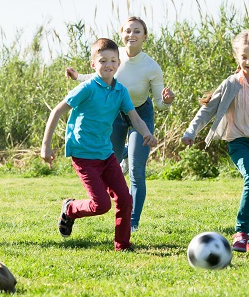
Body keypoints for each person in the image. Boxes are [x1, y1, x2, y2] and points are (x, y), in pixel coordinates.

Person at [181, 30, 249, 252]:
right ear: (236, 57)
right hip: (239, 142)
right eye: (244, 57)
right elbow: (207, 111)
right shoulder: (231, 83)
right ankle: (241, 232)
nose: (248, 62)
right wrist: (191, 132)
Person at [42, 38, 157, 251]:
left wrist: (147, 134)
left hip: (106, 154)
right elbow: (56, 111)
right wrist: (45, 147)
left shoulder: (120, 91)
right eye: (103, 60)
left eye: (113, 60)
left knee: (124, 198)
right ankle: (70, 208)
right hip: (84, 155)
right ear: (93, 64)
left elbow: (135, 117)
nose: (109, 65)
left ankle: (122, 244)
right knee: (101, 205)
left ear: (119, 63)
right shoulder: (86, 88)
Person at [65, 17, 174, 232]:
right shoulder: (115, 56)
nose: (131, 35)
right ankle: (125, 153)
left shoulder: (151, 66)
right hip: (115, 114)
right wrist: (78, 77)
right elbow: (100, 73)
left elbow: (160, 104)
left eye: (137, 31)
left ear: (145, 36)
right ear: (122, 33)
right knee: (109, 162)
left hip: (140, 114)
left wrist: (167, 101)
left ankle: (133, 221)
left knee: (136, 171)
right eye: (127, 31)